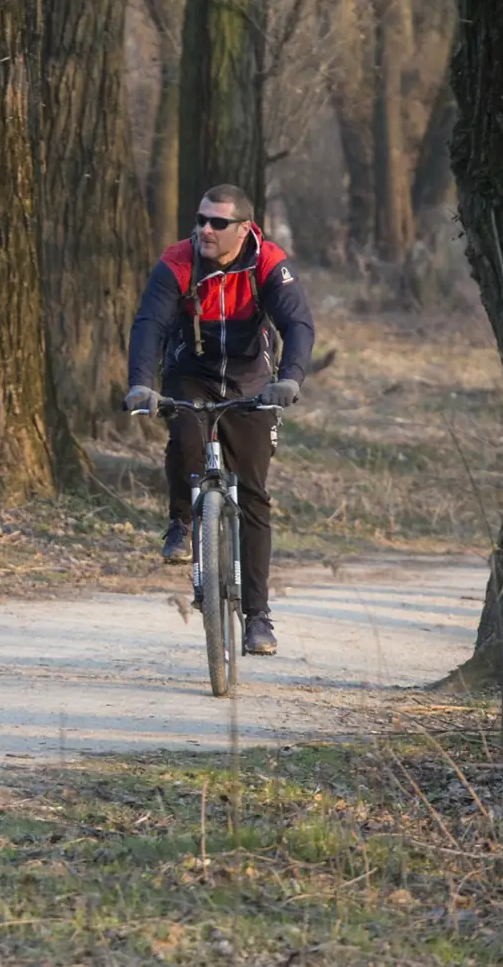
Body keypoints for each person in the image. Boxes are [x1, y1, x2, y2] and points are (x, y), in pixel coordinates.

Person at [124, 185, 314, 656]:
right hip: (192, 371)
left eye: (218, 223)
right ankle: (181, 523)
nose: (205, 229)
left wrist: (290, 379)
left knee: (252, 495)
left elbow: (297, 323)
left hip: (251, 379)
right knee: (186, 435)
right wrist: (141, 383)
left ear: (244, 228)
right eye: (201, 219)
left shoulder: (268, 261)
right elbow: (149, 323)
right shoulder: (178, 260)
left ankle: (258, 617)